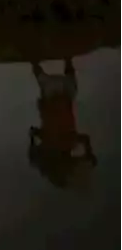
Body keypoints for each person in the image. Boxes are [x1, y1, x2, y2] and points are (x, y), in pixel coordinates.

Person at [29, 59, 95, 188]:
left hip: (56, 98)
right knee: (62, 84)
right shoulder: (61, 142)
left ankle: (41, 60)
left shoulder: (58, 143)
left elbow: (86, 140)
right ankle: (61, 59)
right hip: (60, 98)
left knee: (53, 83)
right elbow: (34, 134)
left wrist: (88, 152)